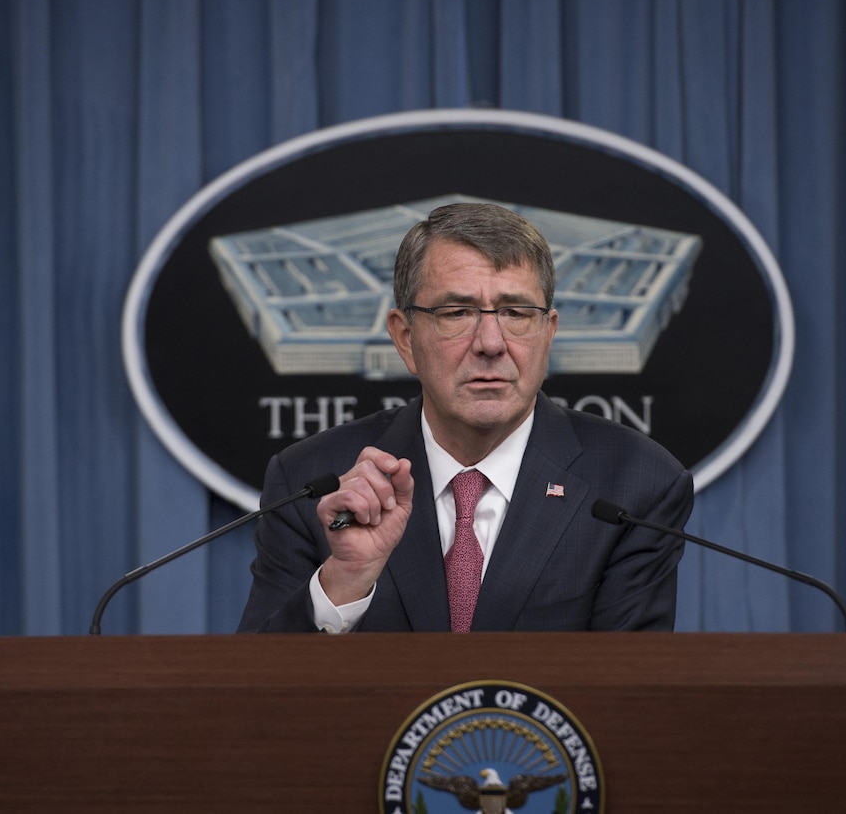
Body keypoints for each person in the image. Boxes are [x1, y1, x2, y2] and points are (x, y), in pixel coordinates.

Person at [237, 202, 693, 633]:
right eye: (457, 312)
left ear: (548, 332)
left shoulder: (635, 483)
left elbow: (633, 695)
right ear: (404, 336)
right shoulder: (312, 482)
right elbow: (253, 693)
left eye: (516, 313)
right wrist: (343, 582)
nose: (491, 343)